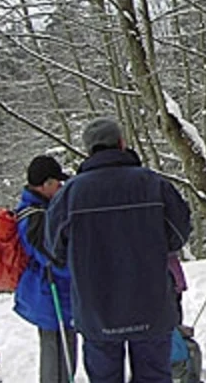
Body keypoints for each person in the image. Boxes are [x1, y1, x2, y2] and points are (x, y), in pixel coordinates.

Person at [47, 117, 192, 383]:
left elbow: (54, 250)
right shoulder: (153, 184)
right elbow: (179, 234)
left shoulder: (70, 195)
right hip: (151, 303)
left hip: (96, 308)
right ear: (121, 143)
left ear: (88, 149)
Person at [15, 155, 76, 383]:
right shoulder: (35, 216)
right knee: (57, 357)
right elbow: (50, 258)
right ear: (44, 184)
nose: (60, 186)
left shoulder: (40, 210)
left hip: (52, 293)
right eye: (56, 183)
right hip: (49, 294)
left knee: (64, 353)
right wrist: (77, 270)